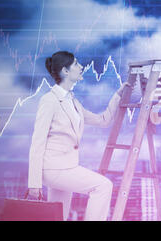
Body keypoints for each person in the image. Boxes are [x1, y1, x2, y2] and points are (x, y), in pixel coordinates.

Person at [27, 51, 130, 221]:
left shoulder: (72, 101)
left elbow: (103, 120)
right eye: (76, 64)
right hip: (54, 169)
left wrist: (118, 96)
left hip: (66, 166)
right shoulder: (49, 101)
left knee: (58, 216)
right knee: (103, 186)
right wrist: (34, 184)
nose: (81, 67)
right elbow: (37, 142)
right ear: (65, 71)